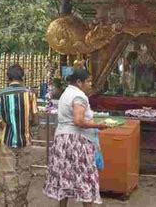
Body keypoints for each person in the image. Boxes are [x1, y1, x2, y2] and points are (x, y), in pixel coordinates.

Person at [44, 67, 108, 207]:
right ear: (79, 82)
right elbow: (78, 121)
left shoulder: (66, 93)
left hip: (62, 140)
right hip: (76, 141)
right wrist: (98, 126)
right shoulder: (79, 96)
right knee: (85, 177)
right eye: (88, 81)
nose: (90, 84)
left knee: (64, 176)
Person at [0, 64, 38, 207]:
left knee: (9, 174)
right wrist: (25, 124)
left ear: (8, 77)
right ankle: (21, 203)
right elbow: (36, 120)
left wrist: (7, 125)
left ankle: (10, 203)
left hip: (7, 140)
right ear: (22, 77)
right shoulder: (30, 94)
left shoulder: (0, 95)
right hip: (25, 139)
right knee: (24, 172)